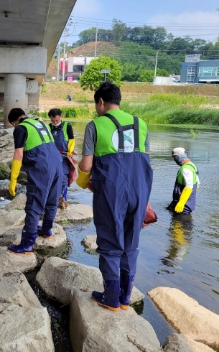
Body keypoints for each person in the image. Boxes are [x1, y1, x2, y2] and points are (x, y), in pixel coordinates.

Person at [76, 82, 153, 312]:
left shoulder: (94, 126)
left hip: (111, 191)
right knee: (131, 243)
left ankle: (110, 298)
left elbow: (87, 165)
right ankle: (125, 298)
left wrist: (81, 182)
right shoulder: (141, 124)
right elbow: (146, 162)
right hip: (140, 189)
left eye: (96, 104)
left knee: (110, 243)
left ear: (101, 102)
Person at [7, 108, 63, 255]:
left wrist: (13, 180)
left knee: (34, 204)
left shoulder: (20, 128)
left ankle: (26, 244)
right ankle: (46, 230)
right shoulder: (41, 124)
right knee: (52, 200)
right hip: (58, 164)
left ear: (14, 122)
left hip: (42, 166)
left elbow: (18, 154)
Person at [48, 108, 75, 209]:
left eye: (57, 120)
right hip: (52, 157)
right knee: (52, 177)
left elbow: (72, 140)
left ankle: (63, 199)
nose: (55, 122)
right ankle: (54, 198)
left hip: (64, 157)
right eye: (53, 120)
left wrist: (70, 151)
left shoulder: (67, 126)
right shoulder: (48, 127)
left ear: (60, 117)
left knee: (63, 177)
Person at [168, 147, 200, 214]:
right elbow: (197, 180)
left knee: (179, 223)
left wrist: (181, 203)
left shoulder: (186, 169)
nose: (174, 160)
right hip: (179, 200)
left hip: (184, 206)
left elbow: (189, 187)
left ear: (177, 157)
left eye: (174, 157)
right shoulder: (191, 165)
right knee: (170, 210)